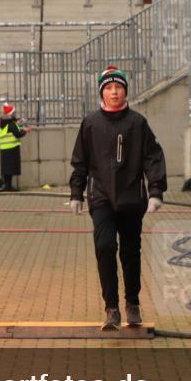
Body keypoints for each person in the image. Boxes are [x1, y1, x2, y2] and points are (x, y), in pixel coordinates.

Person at [69, 67, 167, 330]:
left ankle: (132, 303)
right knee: (104, 247)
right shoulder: (91, 123)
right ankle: (111, 308)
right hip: (101, 196)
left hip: (131, 197)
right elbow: (80, 161)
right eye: (109, 88)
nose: (114, 92)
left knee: (130, 252)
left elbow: (153, 157)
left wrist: (155, 191)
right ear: (102, 92)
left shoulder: (138, 123)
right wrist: (76, 193)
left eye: (119, 87)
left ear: (125, 91)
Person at [0, 102, 30, 192]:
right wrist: (25, 131)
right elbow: (18, 134)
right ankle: (7, 186)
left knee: (7, 170)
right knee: (10, 169)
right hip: (12, 148)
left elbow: (13, 127)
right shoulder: (11, 124)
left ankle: (8, 186)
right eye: (13, 113)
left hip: (4, 149)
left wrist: (18, 123)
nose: (15, 115)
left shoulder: (3, 123)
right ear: (11, 114)